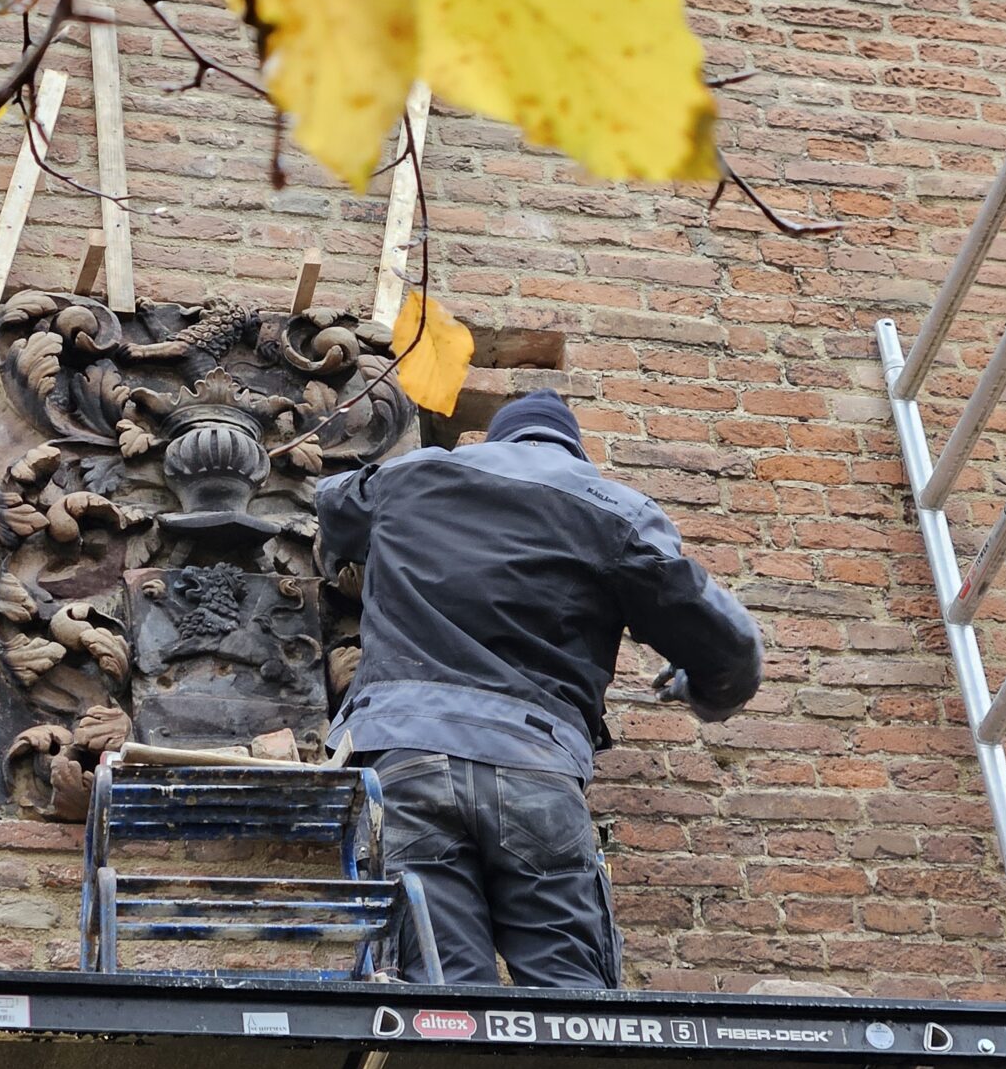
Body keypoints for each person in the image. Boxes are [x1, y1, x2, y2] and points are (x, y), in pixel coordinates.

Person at [315, 389, 764, 988]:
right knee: (569, 1005)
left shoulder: (411, 475)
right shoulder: (617, 511)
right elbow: (733, 647)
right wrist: (704, 690)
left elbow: (332, 505)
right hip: (534, 766)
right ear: (574, 449)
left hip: (403, 752)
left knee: (441, 1001)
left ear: (500, 439)